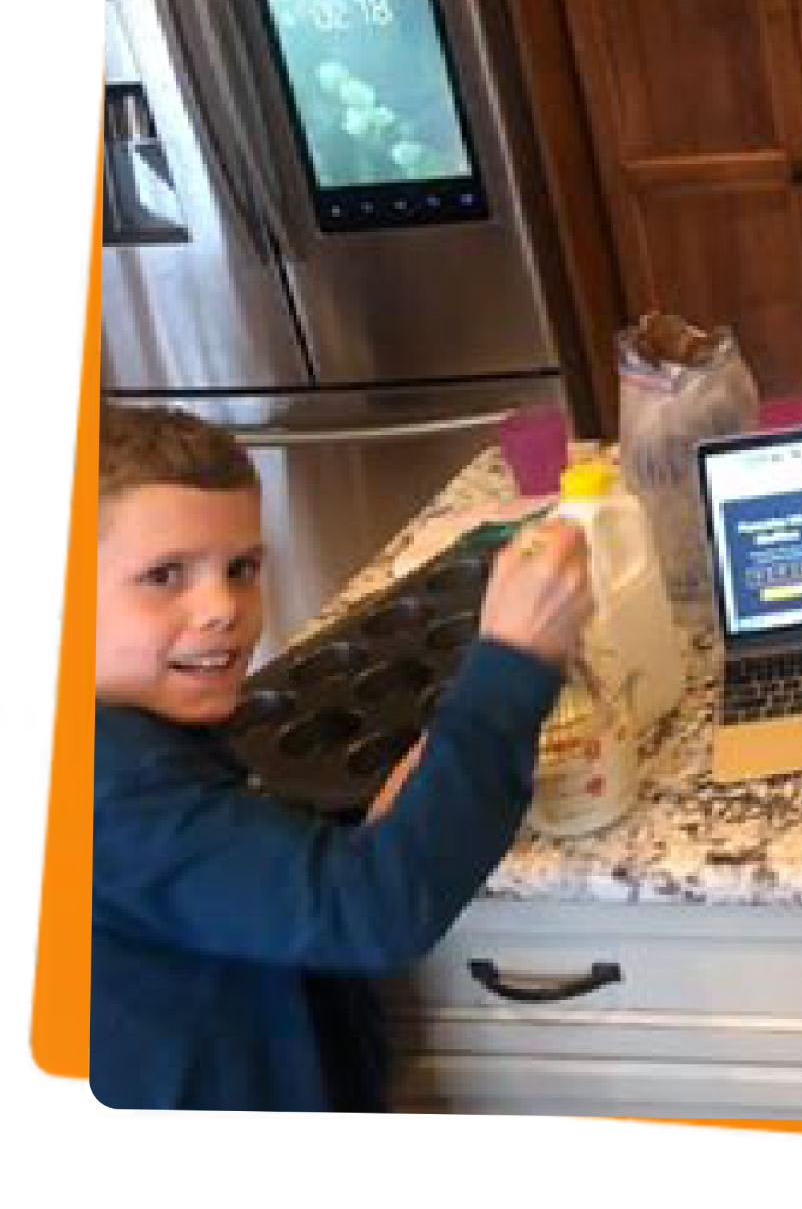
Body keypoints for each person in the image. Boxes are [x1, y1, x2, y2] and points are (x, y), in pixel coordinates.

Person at [91, 403, 596, 1111]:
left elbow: (263, 878)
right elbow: (375, 913)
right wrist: (513, 665)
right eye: (164, 576)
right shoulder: (108, 790)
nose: (221, 607)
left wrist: (379, 831)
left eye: (241, 568)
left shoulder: (135, 733)